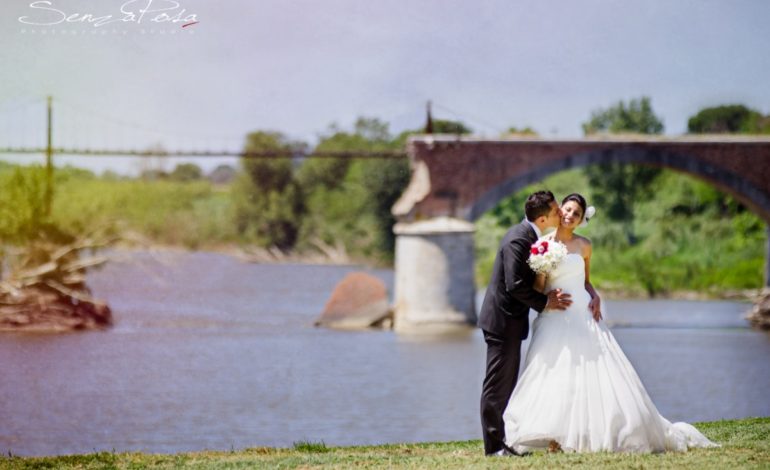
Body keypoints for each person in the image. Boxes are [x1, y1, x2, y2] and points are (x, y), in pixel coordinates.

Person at [502, 193, 719, 453]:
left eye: (577, 214)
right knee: (553, 373)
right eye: (568, 210)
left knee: (588, 374)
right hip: (554, 315)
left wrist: (594, 296)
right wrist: (545, 282)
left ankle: (588, 434)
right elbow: (538, 287)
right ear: (559, 212)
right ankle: (554, 438)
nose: (570, 215)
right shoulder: (542, 245)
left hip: (582, 314)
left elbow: (586, 281)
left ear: (582, 220)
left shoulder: (585, 246)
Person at [478, 190, 573, 457]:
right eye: (555, 211)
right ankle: (494, 448)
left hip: (510, 322)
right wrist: (545, 302)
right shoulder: (517, 239)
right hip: (501, 322)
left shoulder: (531, 237)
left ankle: (504, 444)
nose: (560, 213)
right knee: (496, 386)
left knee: (506, 385)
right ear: (543, 219)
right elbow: (515, 285)